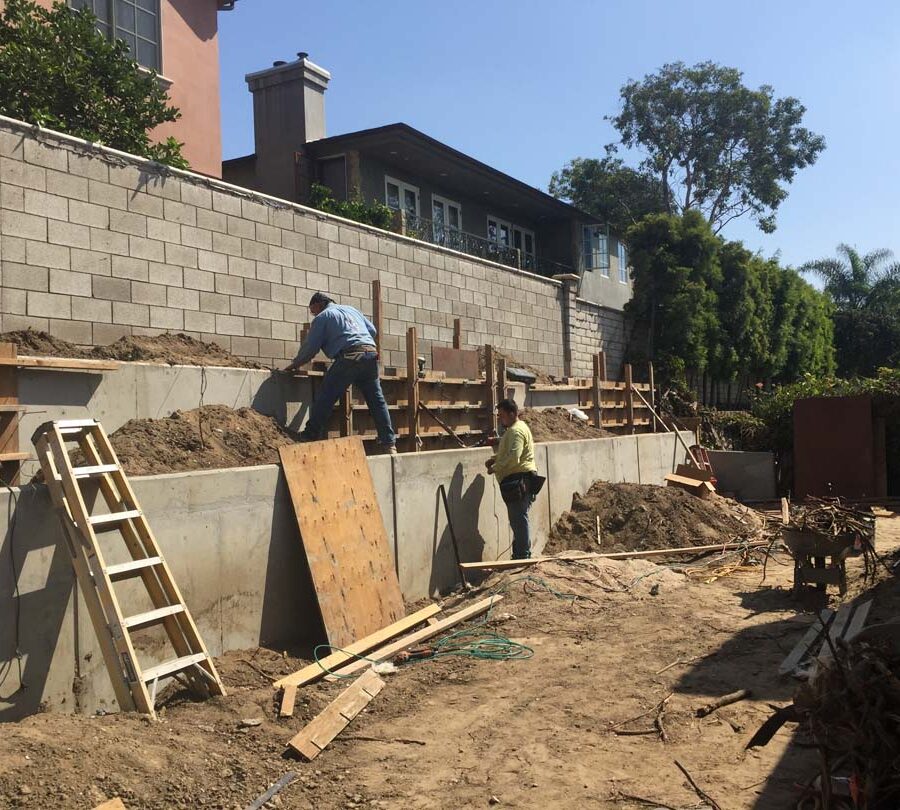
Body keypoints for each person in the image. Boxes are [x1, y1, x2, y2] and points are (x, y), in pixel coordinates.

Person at [282, 292, 397, 454]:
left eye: (312, 309)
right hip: (370, 355)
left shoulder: (323, 317)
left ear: (319, 304)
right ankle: (389, 443)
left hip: (349, 357)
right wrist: (356, 337)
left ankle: (309, 435)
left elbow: (310, 347)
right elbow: (372, 330)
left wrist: (295, 364)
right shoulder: (351, 309)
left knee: (326, 396)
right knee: (377, 401)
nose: (313, 313)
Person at [486, 398, 542, 559]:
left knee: (518, 519)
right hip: (522, 478)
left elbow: (514, 458)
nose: (500, 419)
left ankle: (522, 555)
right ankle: (520, 553)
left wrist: (495, 468)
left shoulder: (516, 431)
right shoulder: (517, 428)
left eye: (502, 415)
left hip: (519, 480)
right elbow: (511, 452)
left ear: (512, 414)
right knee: (518, 518)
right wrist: (496, 458)